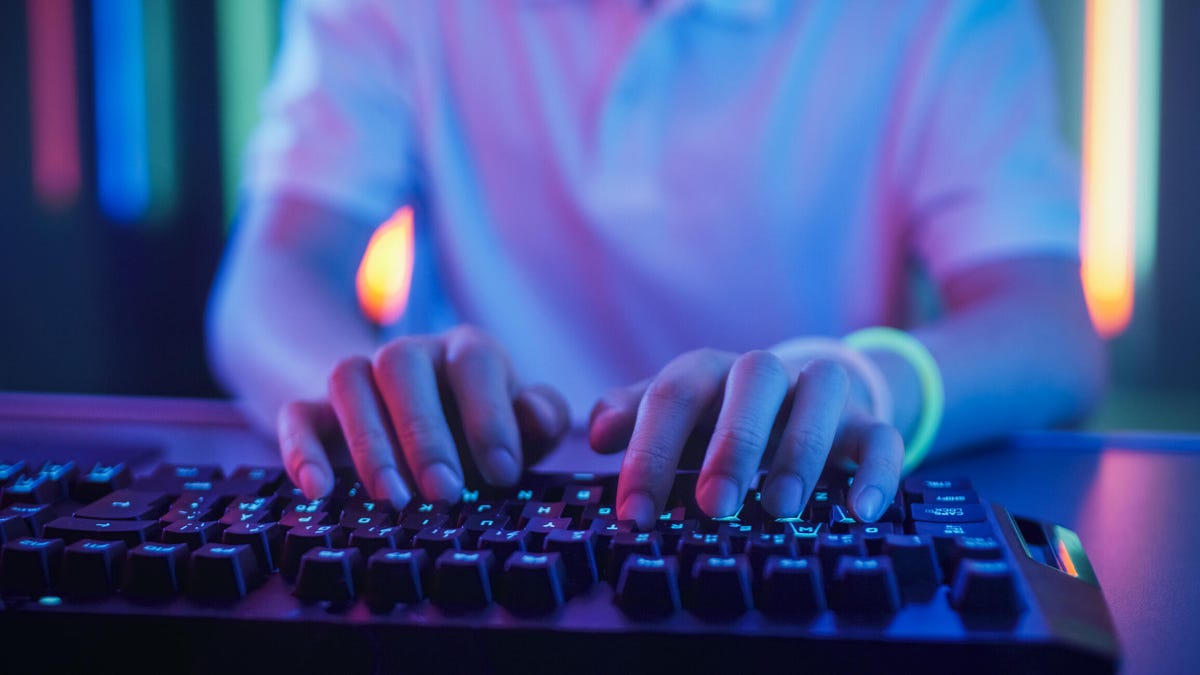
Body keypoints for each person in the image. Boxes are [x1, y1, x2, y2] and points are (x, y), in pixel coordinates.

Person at [206, 0, 1105, 531]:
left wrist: (870, 387)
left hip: (788, 510)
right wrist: (366, 399)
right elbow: (274, 272)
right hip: (463, 506)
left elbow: (1051, 327)